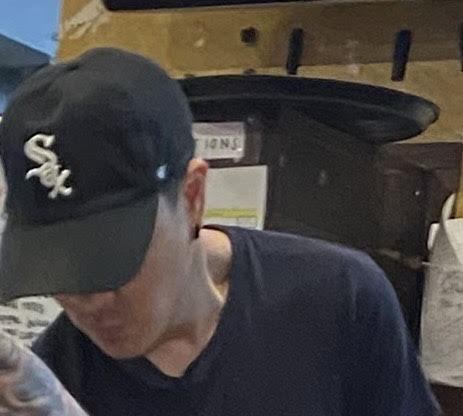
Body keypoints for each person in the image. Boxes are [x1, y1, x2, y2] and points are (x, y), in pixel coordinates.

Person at [0, 47, 440, 416]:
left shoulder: (338, 299)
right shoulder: (56, 384)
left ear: (192, 197)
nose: (89, 301)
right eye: (60, 267)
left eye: (112, 260)